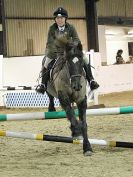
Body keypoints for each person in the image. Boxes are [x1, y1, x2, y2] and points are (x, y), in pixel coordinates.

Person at [36, 7, 99, 94]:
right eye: (57, 18)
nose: (59, 20)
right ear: (55, 19)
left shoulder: (71, 27)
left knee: (85, 59)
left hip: (70, 50)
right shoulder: (52, 28)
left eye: (61, 18)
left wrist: (72, 46)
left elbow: (76, 39)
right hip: (54, 52)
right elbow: (50, 42)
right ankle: (43, 85)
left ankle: (91, 80)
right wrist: (58, 51)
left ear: (65, 18)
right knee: (46, 63)